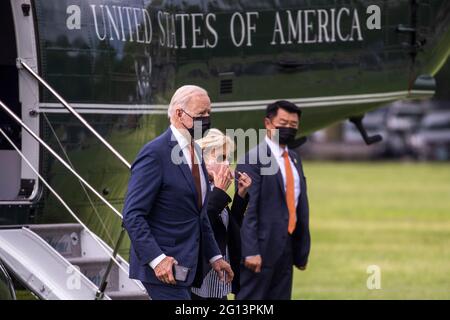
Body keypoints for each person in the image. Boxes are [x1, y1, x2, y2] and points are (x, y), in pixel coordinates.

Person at [122, 85, 233, 300]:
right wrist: (157, 259)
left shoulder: (196, 152)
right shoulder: (155, 154)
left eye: (209, 113)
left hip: (188, 267)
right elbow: (132, 215)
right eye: (201, 114)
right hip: (164, 270)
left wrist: (215, 256)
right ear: (179, 114)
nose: (207, 119)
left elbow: (199, 216)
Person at [236, 100, 311, 300]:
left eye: (293, 125)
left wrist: (302, 250)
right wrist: (250, 251)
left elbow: (300, 205)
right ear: (268, 124)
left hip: (286, 249)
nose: (288, 129)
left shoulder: (294, 158)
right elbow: (246, 208)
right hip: (259, 249)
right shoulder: (253, 158)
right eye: (283, 123)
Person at [191, 129, 252, 300]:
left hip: (218, 280)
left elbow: (227, 227)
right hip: (199, 279)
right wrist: (219, 192)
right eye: (221, 158)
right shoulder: (193, 187)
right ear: (201, 159)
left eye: (228, 159)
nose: (227, 164)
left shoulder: (214, 188)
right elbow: (201, 224)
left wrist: (240, 195)